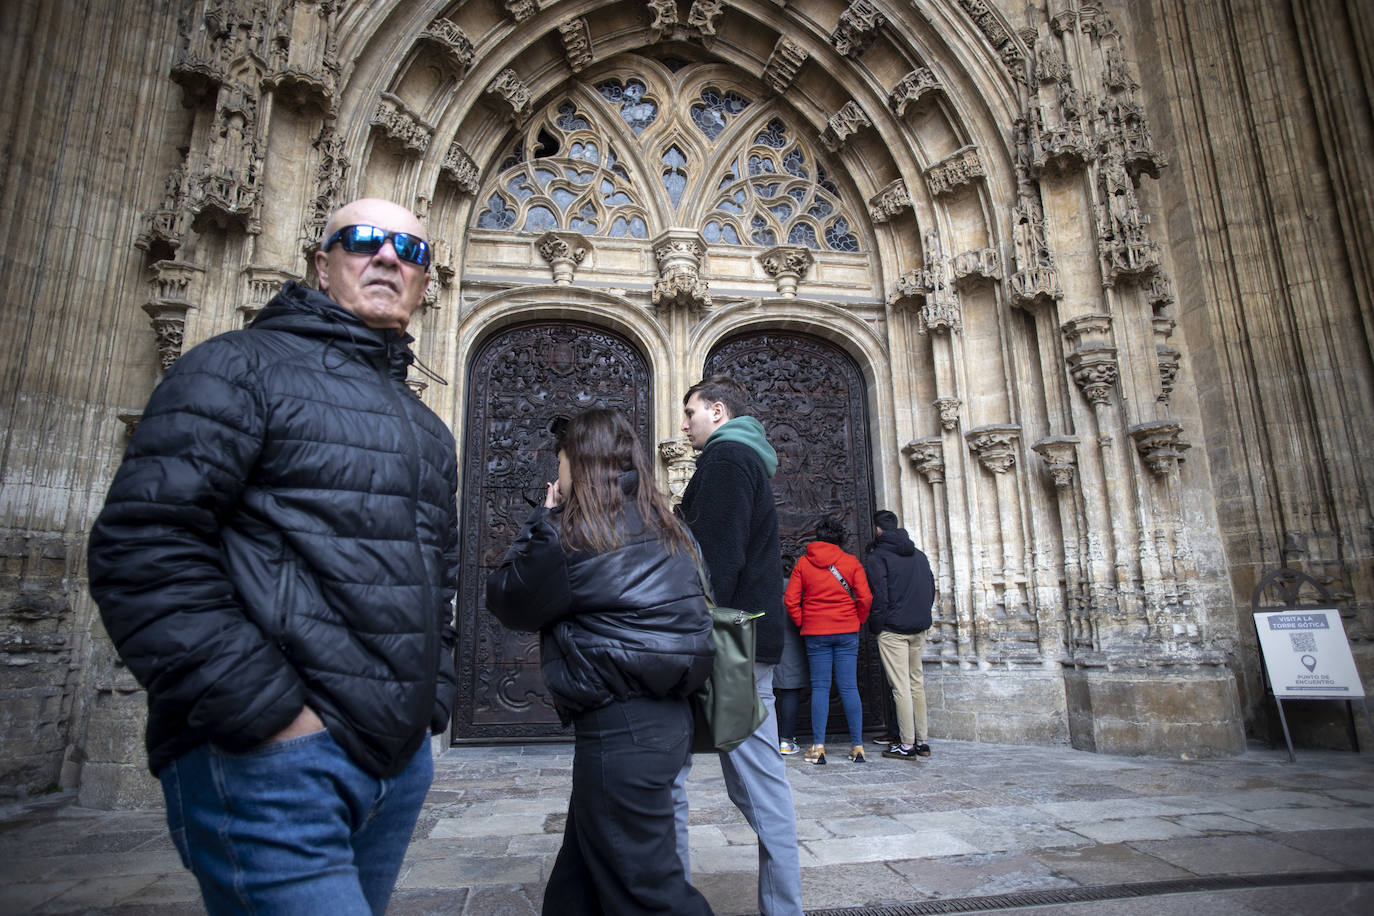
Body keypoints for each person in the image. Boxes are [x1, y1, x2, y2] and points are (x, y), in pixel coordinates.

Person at [86, 198, 459, 915]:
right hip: (273, 759)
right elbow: (143, 543)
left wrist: (428, 702)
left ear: (425, 282)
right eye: (363, 241)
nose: (387, 258)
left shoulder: (424, 426)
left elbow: (433, 574)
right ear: (322, 265)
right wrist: (267, 712)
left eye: (410, 251)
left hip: (393, 759)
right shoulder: (236, 367)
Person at [486, 408, 715, 916]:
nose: (558, 472)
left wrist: (540, 521)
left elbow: (507, 598)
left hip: (622, 725)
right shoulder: (669, 526)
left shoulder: (576, 535)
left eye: (561, 461)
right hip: (669, 718)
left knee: (648, 889)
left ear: (578, 464)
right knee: (583, 874)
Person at [673, 374, 804, 916]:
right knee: (748, 778)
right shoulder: (744, 458)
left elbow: (715, 557)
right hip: (743, 636)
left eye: (690, 413)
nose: (683, 426)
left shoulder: (726, 460)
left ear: (718, 411)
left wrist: (687, 628)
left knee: (736, 778)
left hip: (728, 641)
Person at [785, 518, 873, 765]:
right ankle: (857, 746)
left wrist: (805, 621)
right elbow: (865, 597)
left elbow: (791, 600)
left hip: (816, 633)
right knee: (848, 687)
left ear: (818, 537)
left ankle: (818, 746)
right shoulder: (851, 562)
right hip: (846, 630)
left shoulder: (804, 563)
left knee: (820, 688)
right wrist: (858, 619)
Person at [864, 509, 937, 759]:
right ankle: (923, 741)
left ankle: (906, 745)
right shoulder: (919, 555)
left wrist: (878, 625)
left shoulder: (877, 558)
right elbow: (931, 588)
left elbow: (879, 596)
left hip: (892, 630)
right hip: (918, 627)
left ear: (877, 529)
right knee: (917, 684)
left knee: (900, 687)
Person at [774, 572, 809, 756]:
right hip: (793, 646)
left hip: (764, 646)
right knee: (790, 692)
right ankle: (786, 740)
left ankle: (764, 739)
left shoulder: (764, 590)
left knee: (763, 694)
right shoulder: (797, 592)